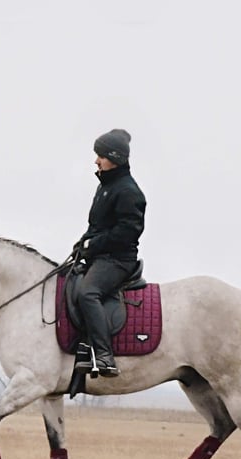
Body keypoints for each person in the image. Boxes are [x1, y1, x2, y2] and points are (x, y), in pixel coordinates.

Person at [72, 128, 147, 377]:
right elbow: (98, 226)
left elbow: (128, 231)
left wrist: (92, 245)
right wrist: (82, 243)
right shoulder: (106, 186)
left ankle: (104, 356)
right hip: (100, 256)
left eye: (100, 156)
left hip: (118, 260)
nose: (96, 160)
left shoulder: (128, 191)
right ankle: (82, 346)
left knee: (87, 293)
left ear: (114, 157)